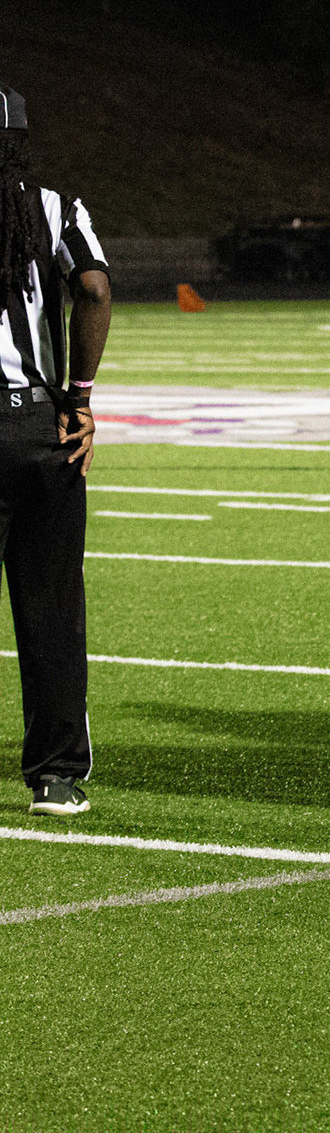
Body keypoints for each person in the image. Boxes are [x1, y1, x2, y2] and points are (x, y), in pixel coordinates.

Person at [0, 83, 112, 817]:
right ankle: (56, 775)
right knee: (51, 612)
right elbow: (94, 289)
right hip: (42, 428)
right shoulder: (53, 207)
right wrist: (79, 395)